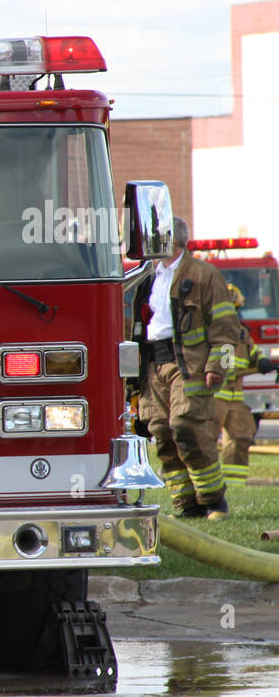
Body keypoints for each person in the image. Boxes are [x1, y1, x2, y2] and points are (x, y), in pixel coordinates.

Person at [131, 217, 240, 519]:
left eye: (154, 237)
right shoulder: (148, 276)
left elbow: (227, 326)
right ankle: (186, 505)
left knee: (186, 426)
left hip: (189, 365)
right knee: (161, 432)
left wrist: (218, 365)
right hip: (155, 363)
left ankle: (214, 501)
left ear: (172, 239)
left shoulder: (204, 275)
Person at [213, 283, 278, 484]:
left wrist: (263, 363)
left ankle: (234, 483)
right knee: (204, 441)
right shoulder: (211, 331)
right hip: (212, 395)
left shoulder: (242, 333)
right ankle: (206, 485)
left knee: (241, 435)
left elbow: (253, 354)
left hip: (235, 395)